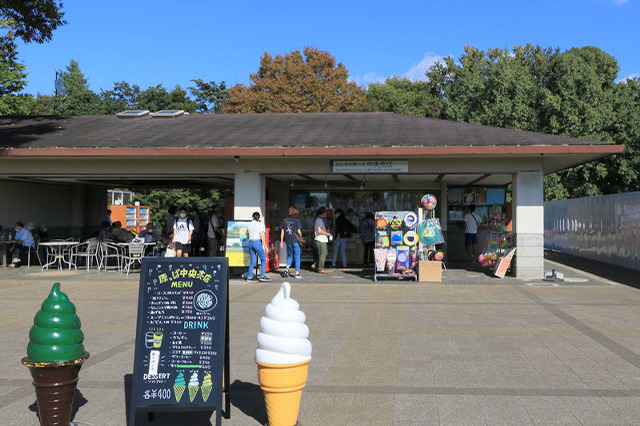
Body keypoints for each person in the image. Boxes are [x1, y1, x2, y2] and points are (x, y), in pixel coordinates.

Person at [246, 211, 271, 282]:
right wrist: (265, 246)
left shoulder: (249, 224)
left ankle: (249, 276)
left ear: (252, 217)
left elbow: (248, 234)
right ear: (258, 218)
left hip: (250, 242)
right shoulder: (260, 224)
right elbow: (261, 235)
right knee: (263, 259)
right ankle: (262, 276)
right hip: (257, 242)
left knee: (252, 261)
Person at [280, 206, 303, 279]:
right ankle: (297, 273)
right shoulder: (297, 221)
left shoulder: (284, 220)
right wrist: (300, 236)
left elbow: (282, 232)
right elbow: (299, 232)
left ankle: (287, 269)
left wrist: (281, 241)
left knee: (290, 256)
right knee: (297, 257)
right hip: (295, 241)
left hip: (288, 241)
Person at [313, 207, 332, 274]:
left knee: (321, 254)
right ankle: (320, 268)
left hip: (319, 239)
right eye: (325, 213)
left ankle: (316, 265)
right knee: (323, 254)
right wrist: (328, 234)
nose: (326, 214)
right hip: (321, 239)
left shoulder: (318, 220)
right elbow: (319, 230)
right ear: (322, 213)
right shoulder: (319, 220)